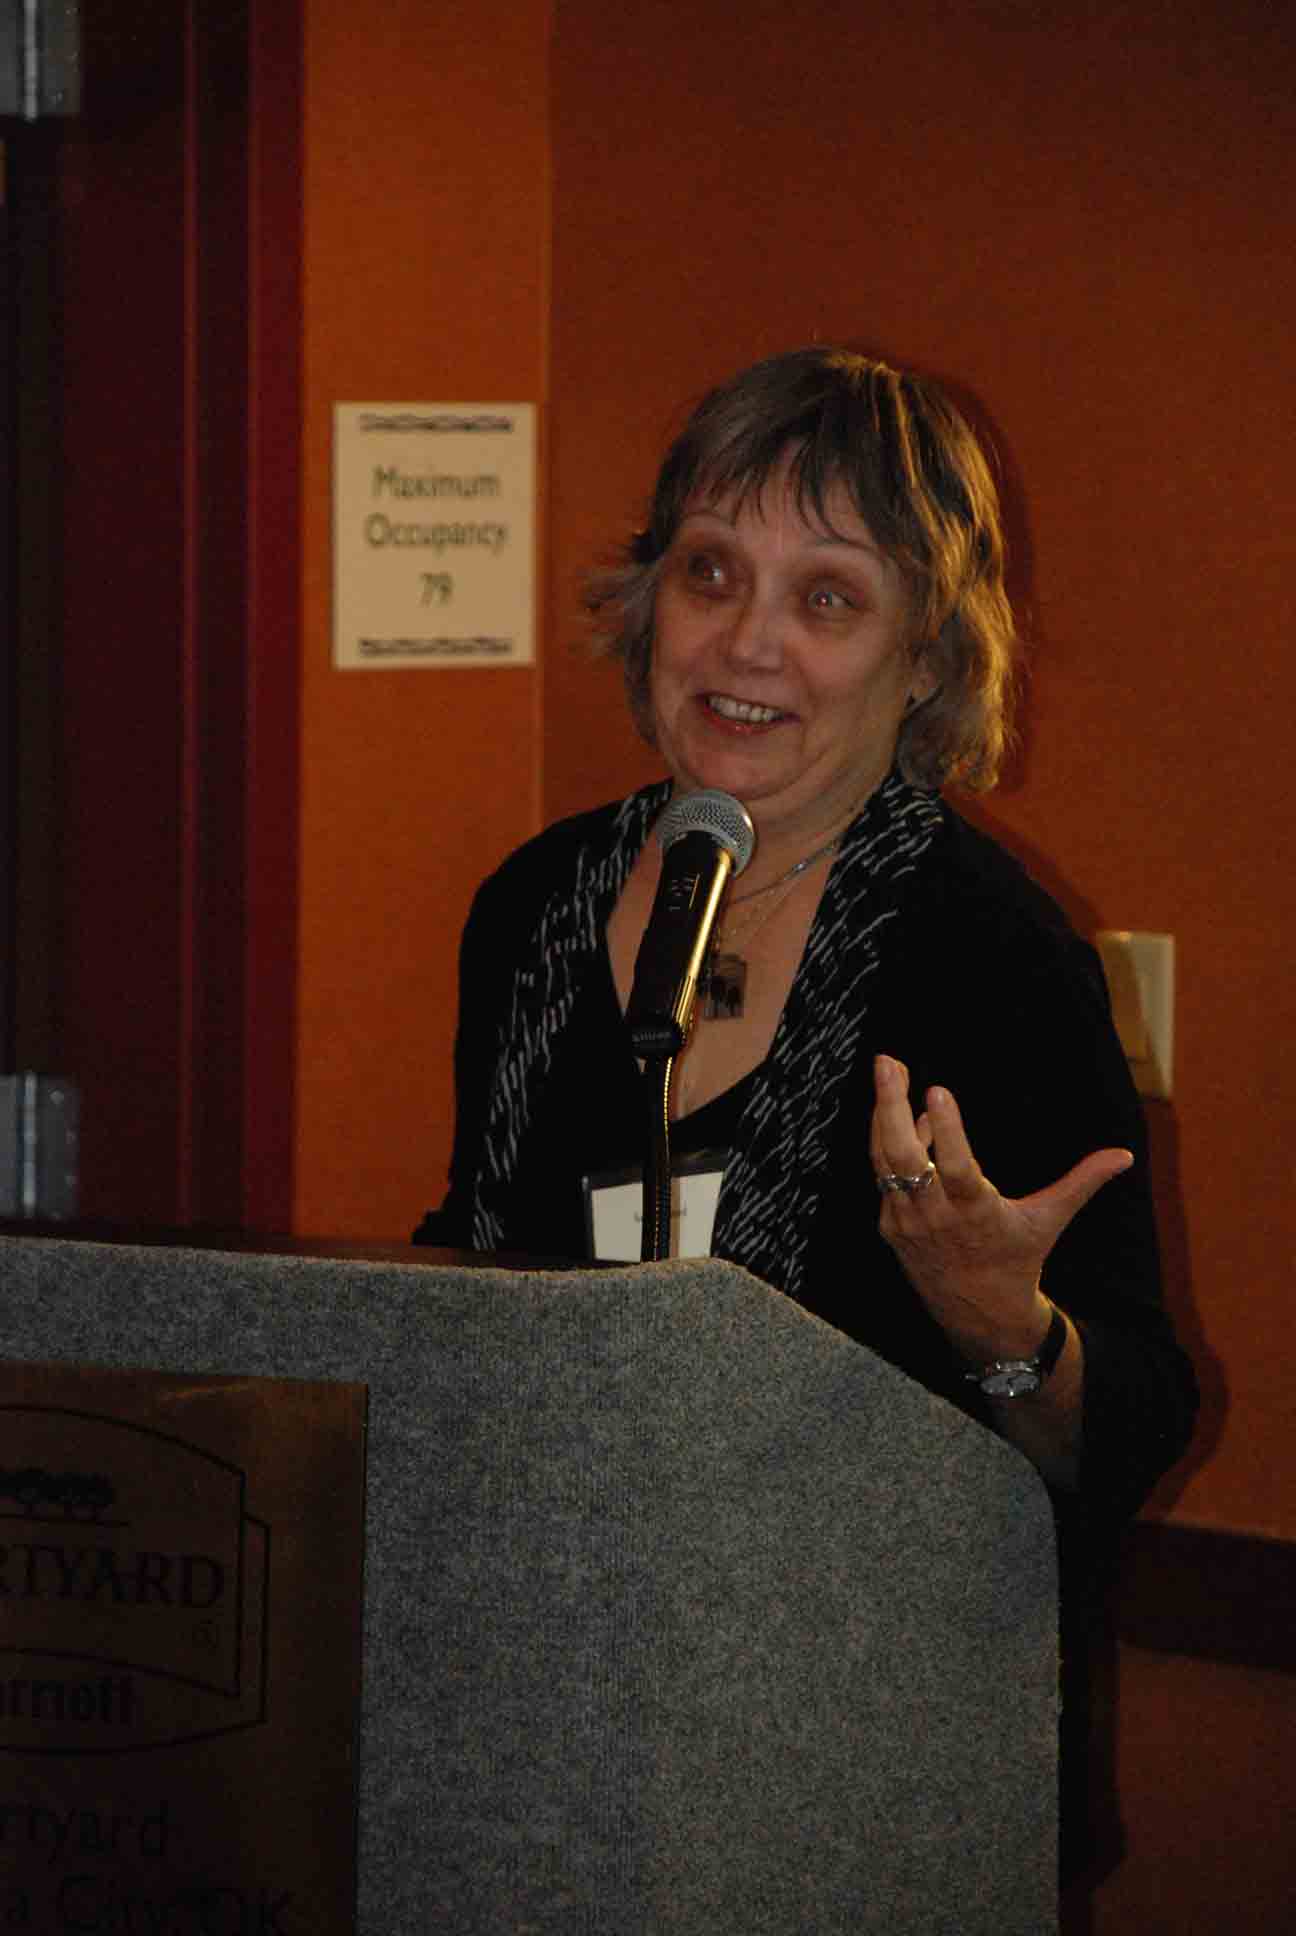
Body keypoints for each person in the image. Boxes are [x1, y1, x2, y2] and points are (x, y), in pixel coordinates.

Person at [413, 345, 1199, 1885]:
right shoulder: (534, 909)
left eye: (829, 597)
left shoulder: (992, 955)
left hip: (869, 1756)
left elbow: (1135, 1415)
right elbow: (481, 1253)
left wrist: (1003, 1325)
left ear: (926, 661)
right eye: (711, 570)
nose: (747, 642)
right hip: (536, 1711)